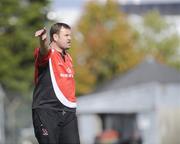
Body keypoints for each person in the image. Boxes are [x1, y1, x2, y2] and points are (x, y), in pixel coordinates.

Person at [32, 23, 80, 144]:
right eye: (66, 35)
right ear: (55, 37)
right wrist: (42, 40)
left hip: (68, 112)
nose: (70, 38)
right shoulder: (47, 54)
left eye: (70, 35)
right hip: (47, 111)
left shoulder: (68, 57)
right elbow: (44, 50)